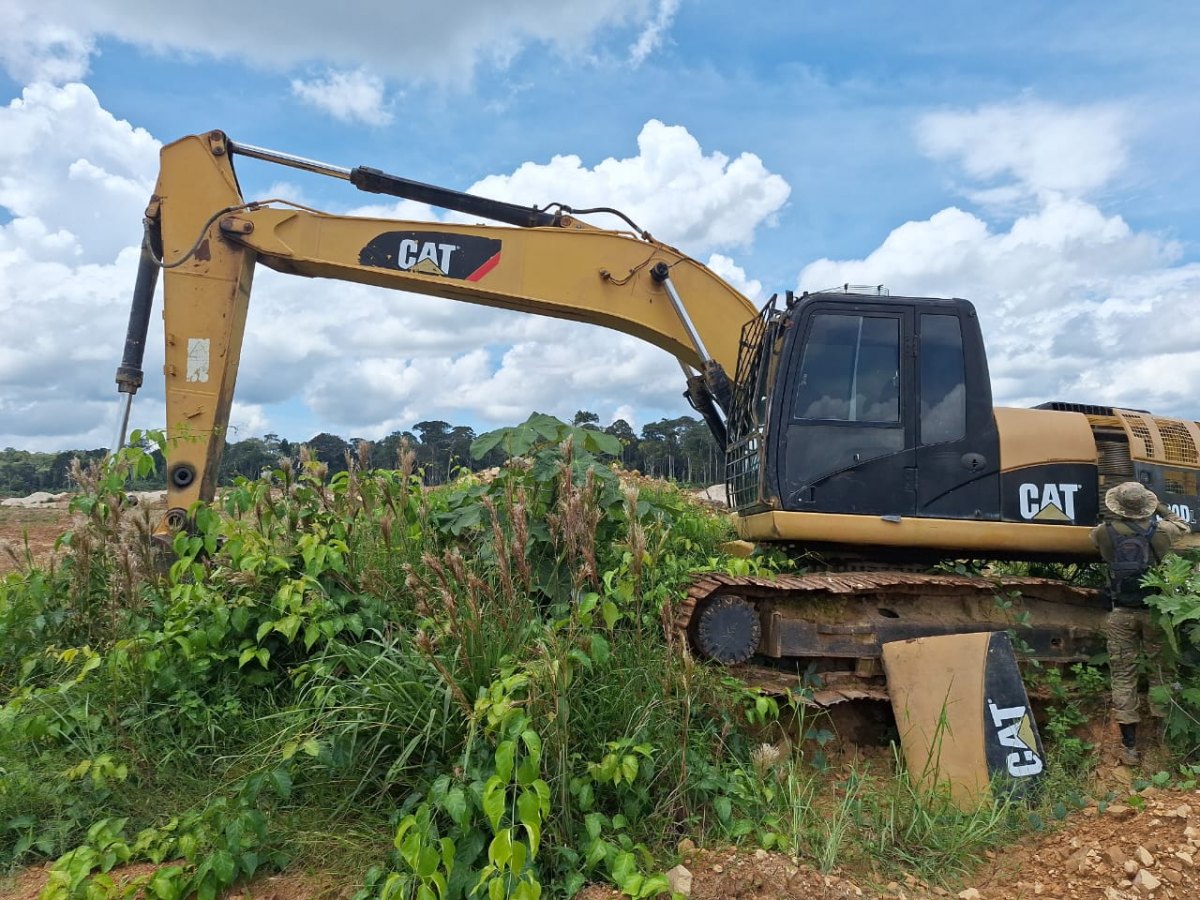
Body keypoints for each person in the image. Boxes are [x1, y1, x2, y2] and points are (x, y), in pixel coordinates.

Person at [1090, 482, 1190, 765]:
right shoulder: (1161, 532)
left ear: (1117, 506)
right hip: (1156, 611)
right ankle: (1163, 744)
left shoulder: (1104, 532)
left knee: (1123, 676)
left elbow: (1093, 541)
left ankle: (1130, 748)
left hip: (1121, 611)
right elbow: (1182, 524)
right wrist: (1159, 506)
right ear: (1145, 504)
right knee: (1162, 673)